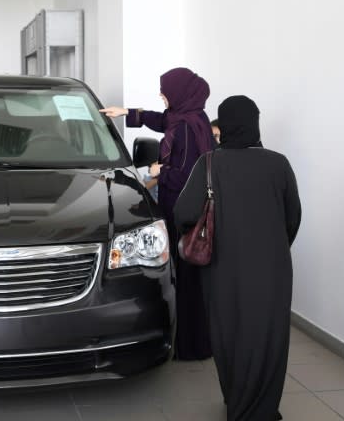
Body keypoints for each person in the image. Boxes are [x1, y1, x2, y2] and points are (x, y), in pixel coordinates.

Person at [174, 96, 302, 421]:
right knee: (268, 336)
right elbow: (293, 218)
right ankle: (262, 409)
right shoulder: (279, 163)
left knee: (228, 334)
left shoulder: (209, 163)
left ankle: (237, 401)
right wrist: (272, 246)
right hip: (273, 270)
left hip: (222, 270)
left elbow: (184, 212)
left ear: (223, 125)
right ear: (255, 123)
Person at [101, 67, 213, 360]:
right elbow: (162, 120)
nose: (161, 95)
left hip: (183, 210)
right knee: (187, 278)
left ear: (179, 93)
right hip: (185, 207)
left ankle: (192, 346)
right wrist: (127, 112)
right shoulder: (191, 116)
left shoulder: (188, 126)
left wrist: (156, 171)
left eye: (165, 91)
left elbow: (187, 175)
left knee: (186, 279)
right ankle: (192, 341)